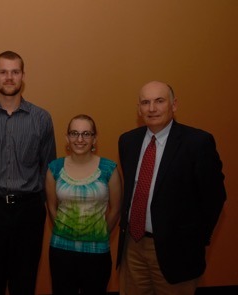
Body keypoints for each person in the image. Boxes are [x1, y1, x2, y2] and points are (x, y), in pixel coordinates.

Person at [116, 81, 227, 295]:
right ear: (138, 109)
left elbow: (214, 197)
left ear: (174, 105)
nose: (152, 108)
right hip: (133, 247)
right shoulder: (128, 141)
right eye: (145, 102)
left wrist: (194, 241)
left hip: (178, 251)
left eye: (159, 101)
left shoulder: (197, 143)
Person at [0, 50, 57, 295]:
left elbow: (48, 167)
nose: (9, 77)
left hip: (29, 211)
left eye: (15, 72)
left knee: (24, 282)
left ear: (23, 76)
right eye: (3, 72)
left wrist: (36, 202)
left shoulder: (41, 119)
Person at [46, 114, 122, 295]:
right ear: (67, 138)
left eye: (86, 134)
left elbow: (116, 209)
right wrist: (66, 231)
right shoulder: (54, 168)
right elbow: (51, 207)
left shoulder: (108, 169)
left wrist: (99, 232)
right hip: (61, 251)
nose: (80, 139)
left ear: (94, 138)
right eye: (74, 133)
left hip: (97, 252)